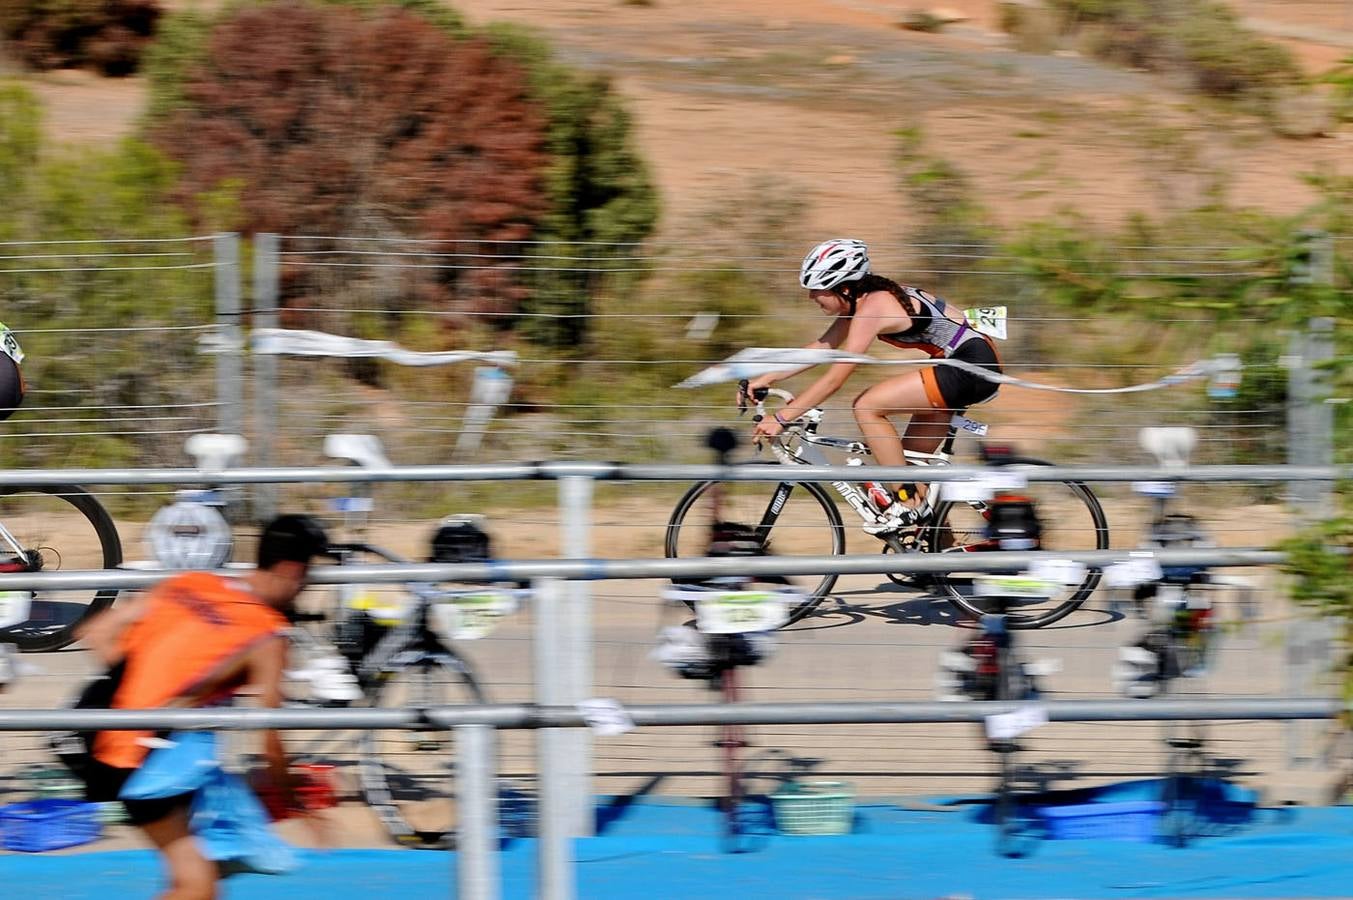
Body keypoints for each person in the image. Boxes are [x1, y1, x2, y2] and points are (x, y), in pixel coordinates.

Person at [77, 514, 333, 900]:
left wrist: (138, 689)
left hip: (100, 730)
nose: (306, 587)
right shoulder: (267, 636)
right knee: (197, 886)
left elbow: (95, 631)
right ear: (292, 569)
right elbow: (271, 743)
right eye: (308, 576)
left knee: (207, 876)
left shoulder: (194, 581)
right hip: (144, 759)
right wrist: (298, 804)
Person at [748, 238, 1002, 534]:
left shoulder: (873, 307)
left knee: (867, 406)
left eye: (816, 289)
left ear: (843, 288)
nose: (810, 297)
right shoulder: (861, 303)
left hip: (971, 366)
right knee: (907, 473)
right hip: (961, 365)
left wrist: (782, 418)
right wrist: (768, 377)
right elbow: (821, 348)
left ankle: (908, 505)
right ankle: (933, 565)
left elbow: (836, 377)